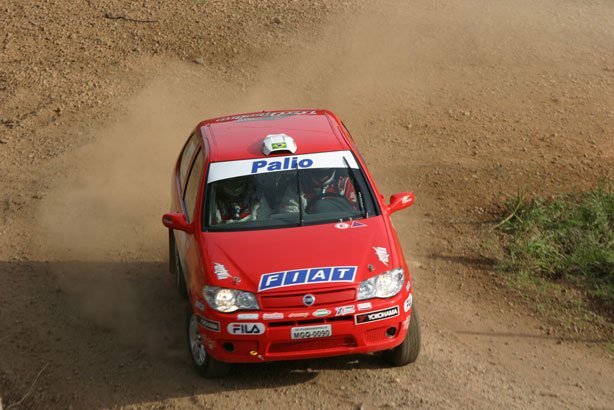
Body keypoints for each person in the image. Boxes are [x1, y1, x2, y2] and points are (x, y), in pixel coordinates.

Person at [279, 168, 358, 214]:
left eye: (324, 173)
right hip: (308, 229)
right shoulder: (298, 186)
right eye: (317, 172)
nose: (321, 176)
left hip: (340, 226)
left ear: (332, 170)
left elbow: (356, 211)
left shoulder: (345, 183)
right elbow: (288, 213)